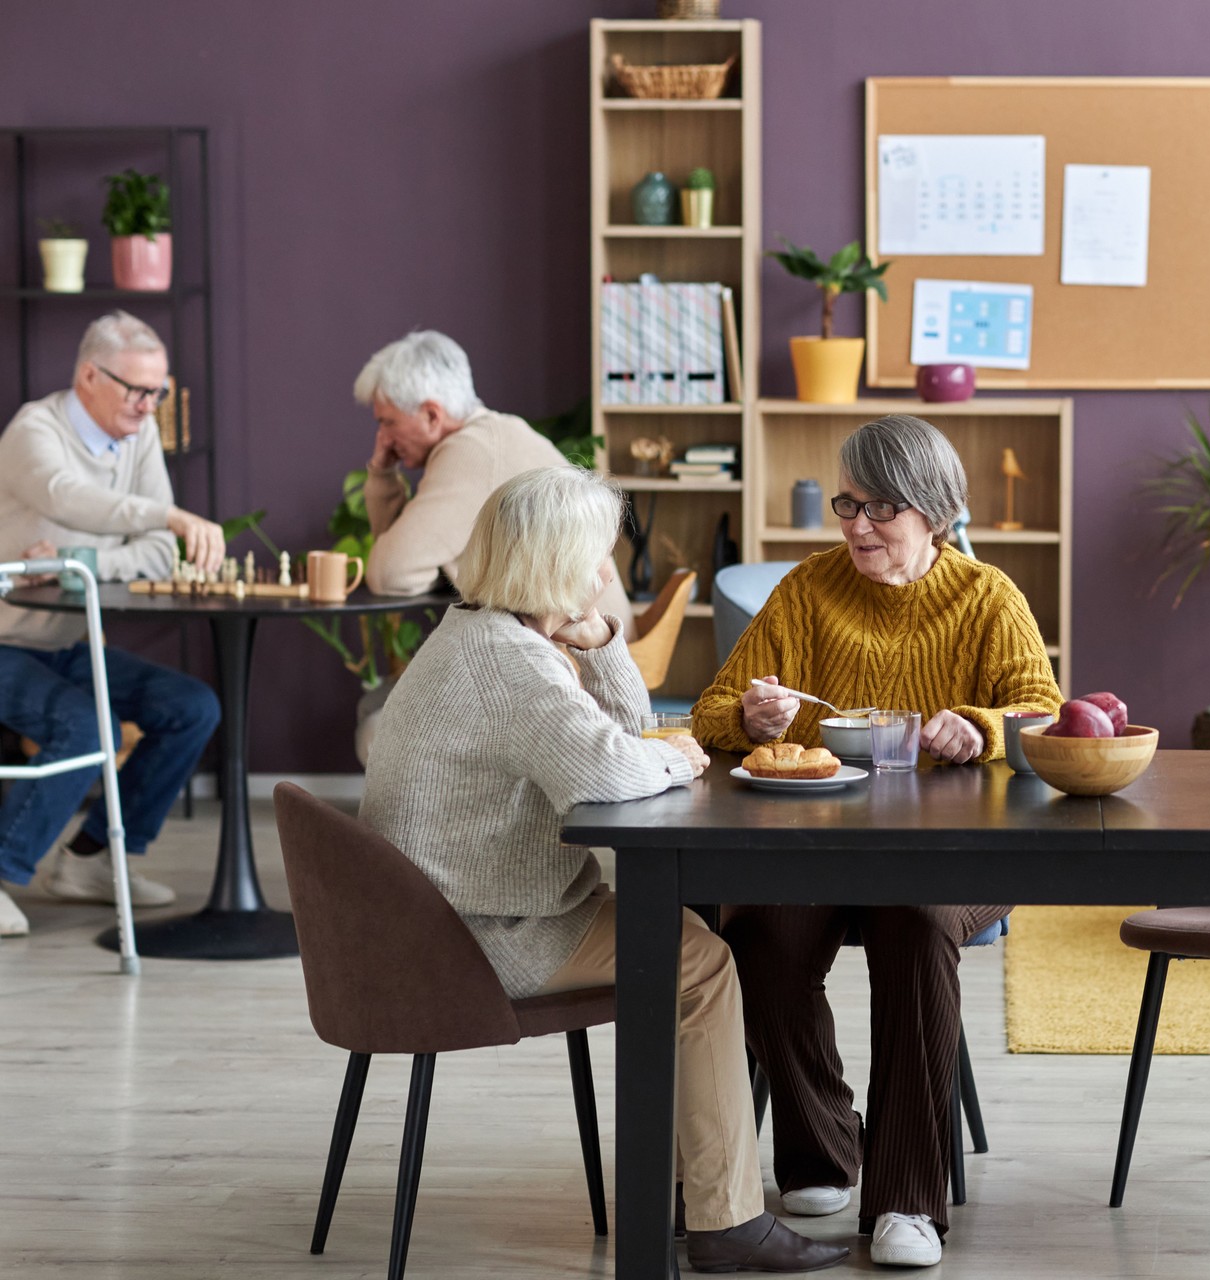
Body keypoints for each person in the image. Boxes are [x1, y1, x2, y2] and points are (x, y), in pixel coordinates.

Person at [359, 467, 845, 1274]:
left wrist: (607, 644)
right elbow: (614, 771)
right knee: (702, 963)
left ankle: (703, 1194)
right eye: (595, 562)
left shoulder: (484, 636)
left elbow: (620, 739)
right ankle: (726, 1223)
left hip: (448, 920)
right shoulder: (511, 665)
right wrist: (680, 758)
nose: (602, 577)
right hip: (485, 940)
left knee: (689, 945)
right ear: (553, 564)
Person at [692, 414, 1061, 1269]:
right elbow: (711, 710)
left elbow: (1040, 713)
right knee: (756, 935)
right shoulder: (808, 590)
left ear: (933, 512)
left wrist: (979, 726)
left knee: (915, 922)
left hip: (958, 852)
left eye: (881, 508)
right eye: (847, 503)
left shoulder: (985, 597)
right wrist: (750, 716)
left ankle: (907, 1201)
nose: (858, 525)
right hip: (820, 843)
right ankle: (824, 1147)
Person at [0, 311, 225, 938]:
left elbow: (157, 552)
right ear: (89, 376)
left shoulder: (138, 434)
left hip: (64, 640)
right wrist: (168, 515)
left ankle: (89, 861)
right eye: (138, 390)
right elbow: (67, 497)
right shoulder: (32, 431)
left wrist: (78, 562)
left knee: (191, 706)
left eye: (159, 391)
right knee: (85, 724)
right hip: (3, 640)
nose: (150, 406)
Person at [354, 330, 627, 621]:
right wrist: (383, 475)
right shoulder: (492, 435)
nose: (383, 438)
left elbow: (390, 575)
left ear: (432, 415)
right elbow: (393, 563)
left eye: (388, 422)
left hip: (581, 655)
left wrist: (429, 571)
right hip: (585, 645)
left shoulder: (472, 452)